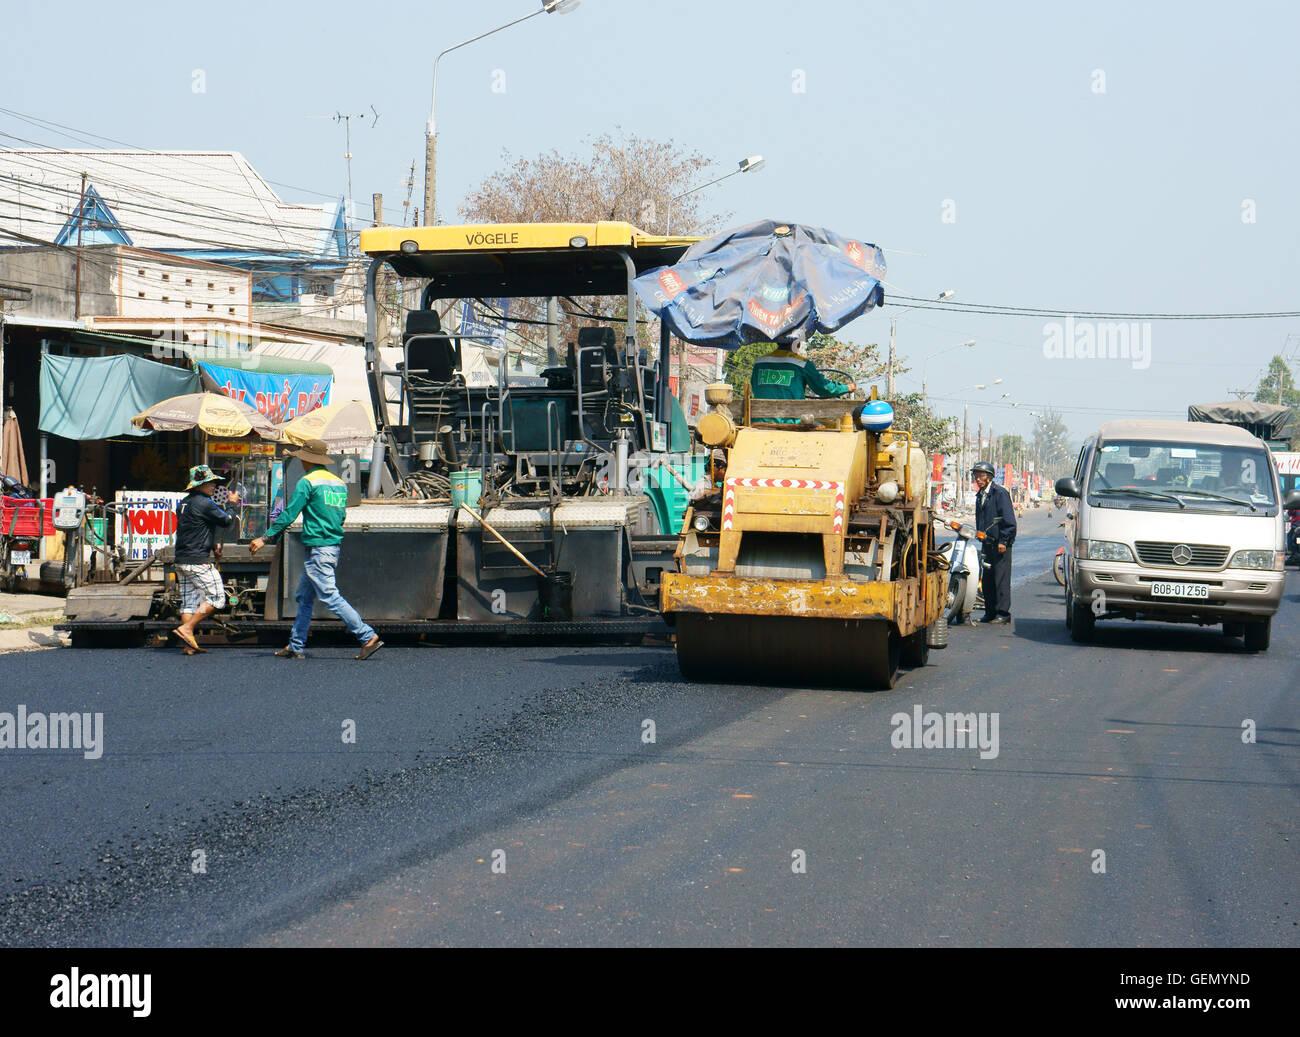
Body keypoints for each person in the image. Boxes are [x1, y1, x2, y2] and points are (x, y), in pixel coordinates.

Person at [249, 439, 382, 661]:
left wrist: (266, 538)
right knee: (304, 597)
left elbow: (289, 514)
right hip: (330, 546)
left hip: (318, 547)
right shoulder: (339, 483)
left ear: (306, 459)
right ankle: (295, 645)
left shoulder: (307, 482)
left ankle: (367, 635)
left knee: (329, 596)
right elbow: (341, 516)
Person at [172, 464, 240, 654]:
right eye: (209, 483)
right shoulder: (204, 503)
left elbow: (196, 529)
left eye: (213, 483)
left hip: (182, 558)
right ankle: (187, 628)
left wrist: (212, 545)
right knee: (217, 598)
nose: (213, 486)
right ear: (198, 485)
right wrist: (232, 503)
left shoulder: (185, 503)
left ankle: (188, 645)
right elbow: (226, 519)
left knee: (189, 602)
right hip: (197, 561)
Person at [972, 460, 1016, 624]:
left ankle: (1003, 613)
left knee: (1001, 579)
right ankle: (990, 612)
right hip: (987, 543)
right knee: (988, 579)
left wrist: (1004, 540)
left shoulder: (1000, 493)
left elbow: (1009, 520)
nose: (977, 478)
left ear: (989, 477)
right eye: (976, 475)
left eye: (981, 475)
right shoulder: (981, 495)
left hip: (1000, 544)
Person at [750, 336, 856, 402]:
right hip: (791, 421)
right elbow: (823, 388)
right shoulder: (802, 364)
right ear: (796, 343)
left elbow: (754, 387)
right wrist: (846, 388)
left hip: (758, 419)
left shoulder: (759, 362)